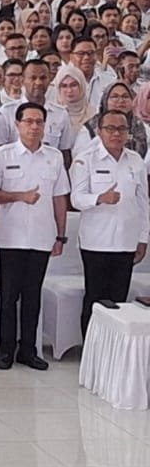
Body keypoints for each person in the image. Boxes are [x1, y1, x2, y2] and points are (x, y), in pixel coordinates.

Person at [0, 102, 69, 371]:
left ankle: (28, 350)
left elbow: (59, 198)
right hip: (11, 237)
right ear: (18, 124)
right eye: (29, 121)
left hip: (42, 236)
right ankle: (6, 350)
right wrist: (19, 196)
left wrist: (61, 235)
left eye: (39, 122)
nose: (34, 127)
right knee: (9, 297)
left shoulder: (54, 157)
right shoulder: (3, 155)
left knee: (33, 296)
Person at [69, 109, 150, 339]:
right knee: (95, 299)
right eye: (110, 129)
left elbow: (144, 203)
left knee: (119, 302)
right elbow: (76, 198)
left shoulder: (135, 161)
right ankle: (91, 350)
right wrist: (99, 198)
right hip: (96, 242)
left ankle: (114, 351)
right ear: (99, 131)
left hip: (126, 241)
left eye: (122, 129)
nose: (116, 134)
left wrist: (143, 238)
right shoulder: (86, 159)